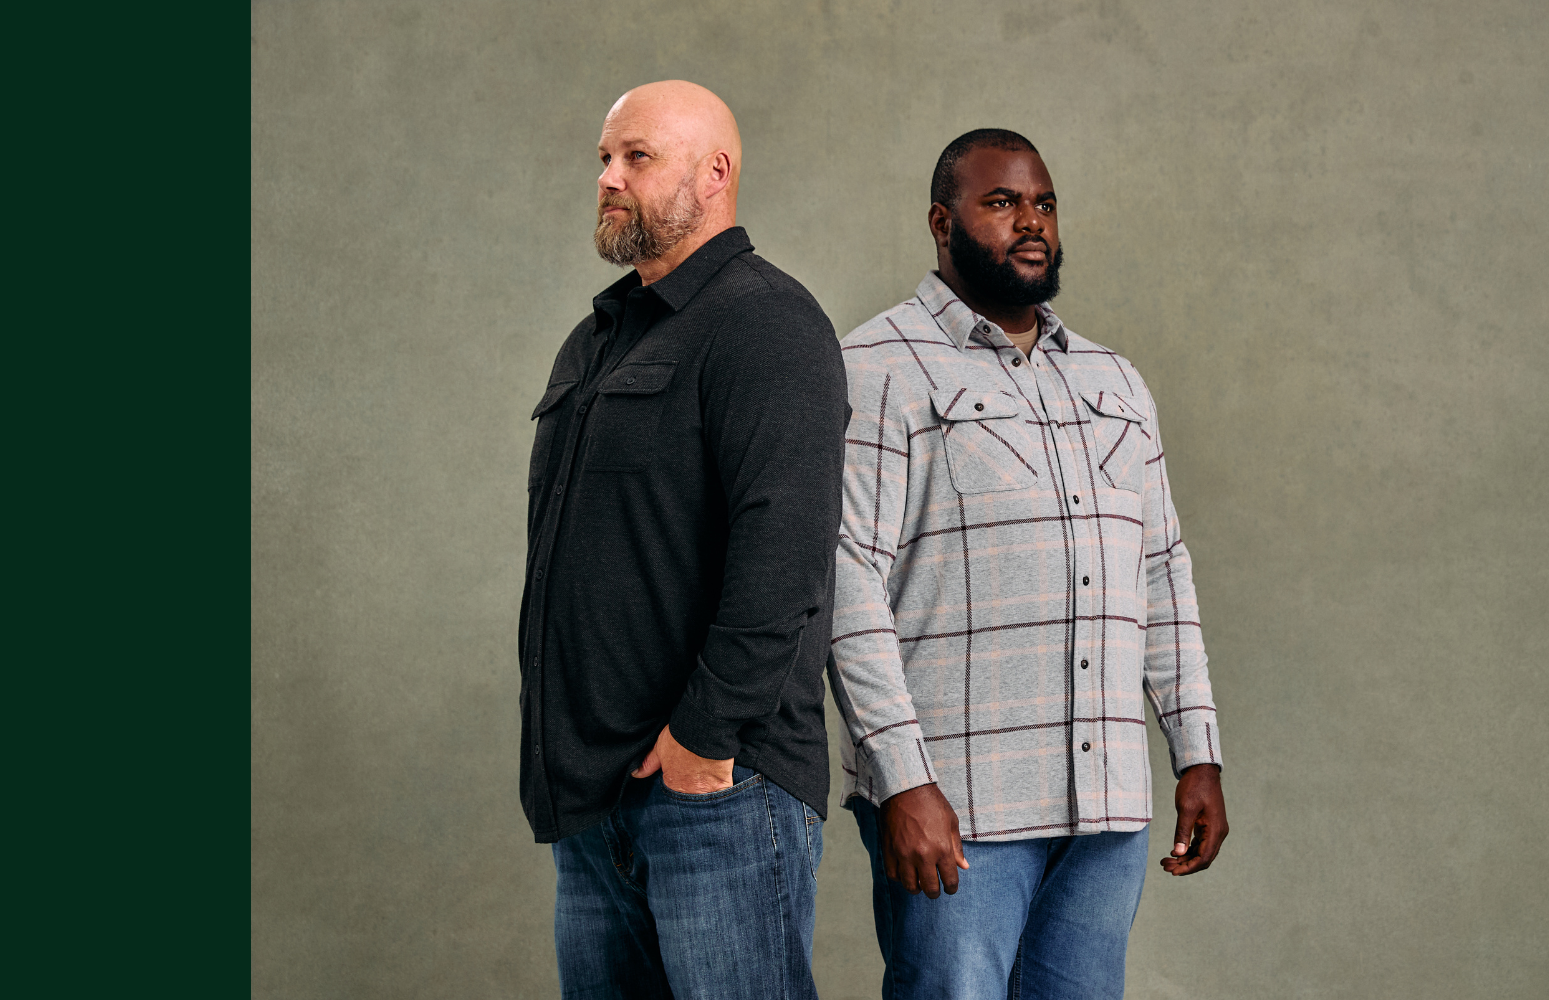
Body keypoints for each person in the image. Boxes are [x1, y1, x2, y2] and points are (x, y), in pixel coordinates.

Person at [826, 129, 1231, 998]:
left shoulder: (1116, 382)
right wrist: (902, 779)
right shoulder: (876, 369)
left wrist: (1196, 751)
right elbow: (846, 584)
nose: (1031, 221)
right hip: (959, 801)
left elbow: (1162, 572)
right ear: (942, 222)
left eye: (1043, 203)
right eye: (1002, 202)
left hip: (1106, 804)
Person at [518, 79, 849, 1000]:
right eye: (604, 159)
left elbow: (785, 559)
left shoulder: (768, 323)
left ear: (715, 174)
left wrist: (704, 738)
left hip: (717, 792)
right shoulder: (595, 341)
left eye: (637, 157)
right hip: (595, 802)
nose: (608, 178)